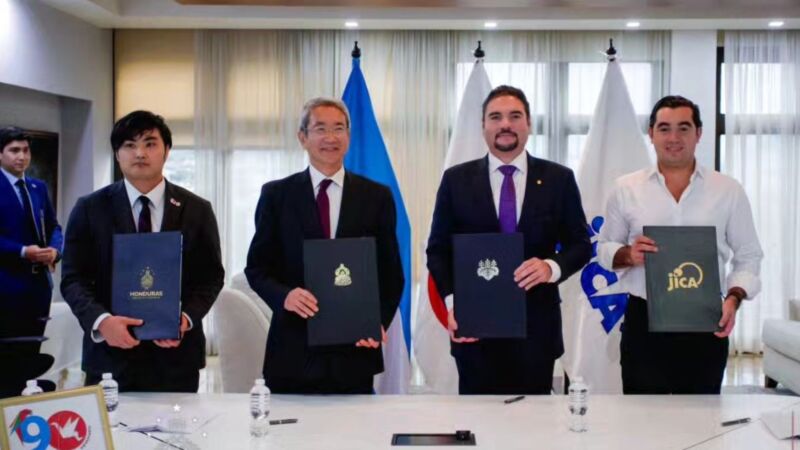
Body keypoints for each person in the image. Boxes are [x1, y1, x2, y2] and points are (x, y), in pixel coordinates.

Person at [426, 85, 592, 395]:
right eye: (496, 117)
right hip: (474, 328)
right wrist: (454, 303)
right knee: (476, 421)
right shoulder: (455, 180)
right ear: (483, 126)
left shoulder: (559, 179)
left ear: (528, 123)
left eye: (515, 116)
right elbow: (437, 251)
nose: (505, 124)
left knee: (533, 422)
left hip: (536, 331)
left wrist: (551, 267)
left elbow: (580, 244)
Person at [597, 95, 763, 394]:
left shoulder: (728, 190)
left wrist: (733, 298)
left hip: (705, 320)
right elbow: (605, 248)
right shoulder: (625, 188)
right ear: (651, 133)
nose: (673, 138)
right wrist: (628, 254)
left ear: (698, 133)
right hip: (644, 321)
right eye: (664, 128)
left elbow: (749, 255)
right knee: (641, 415)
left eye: (683, 128)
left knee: (702, 416)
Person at [245, 97, 404, 394]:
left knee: (352, 425)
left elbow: (391, 273)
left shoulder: (377, 197)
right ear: (302, 137)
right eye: (320, 129)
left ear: (349, 136)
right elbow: (257, 268)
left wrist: (376, 322)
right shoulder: (277, 196)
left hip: (354, 351)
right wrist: (285, 296)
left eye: (338, 128)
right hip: (293, 350)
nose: (331, 137)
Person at [61, 110, 224, 392]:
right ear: (117, 154)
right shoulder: (89, 209)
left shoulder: (197, 209)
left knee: (178, 423)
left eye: (150, 143)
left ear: (167, 151)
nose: (140, 153)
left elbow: (210, 278)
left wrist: (185, 319)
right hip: (110, 357)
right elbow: (73, 279)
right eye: (129, 145)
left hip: (176, 357)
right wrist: (102, 322)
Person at [0, 126, 62, 397]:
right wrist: (23, 251)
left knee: (30, 356)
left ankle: (26, 405)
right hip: (7, 287)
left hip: (39, 287)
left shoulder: (38, 187)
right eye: (14, 150)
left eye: (25, 150)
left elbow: (54, 226)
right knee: (7, 359)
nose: (22, 156)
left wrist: (55, 251)